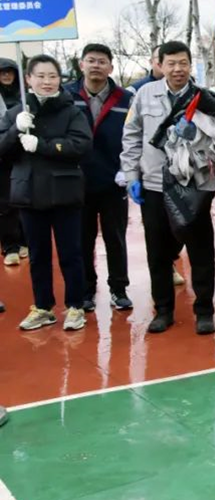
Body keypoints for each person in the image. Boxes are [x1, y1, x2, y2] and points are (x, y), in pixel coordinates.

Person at [122, 41, 215, 335]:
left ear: (190, 64)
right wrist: (132, 175)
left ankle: (204, 311)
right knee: (158, 252)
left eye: (183, 63)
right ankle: (163, 310)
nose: (178, 69)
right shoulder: (144, 95)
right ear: (160, 65)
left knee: (201, 251)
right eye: (171, 63)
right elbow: (131, 135)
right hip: (154, 185)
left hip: (194, 185)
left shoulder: (204, 97)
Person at [0, 55, 92, 331]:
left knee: (71, 253)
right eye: (40, 76)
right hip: (28, 193)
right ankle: (42, 307)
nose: (47, 81)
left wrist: (43, 145)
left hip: (64, 192)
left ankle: (75, 306)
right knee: (38, 255)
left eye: (52, 76)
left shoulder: (72, 110)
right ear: (28, 79)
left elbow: (80, 145)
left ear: (60, 79)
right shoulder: (16, 113)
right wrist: (15, 130)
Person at [64, 44, 134, 313]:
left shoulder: (125, 99)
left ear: (110, 67)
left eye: (102, 61)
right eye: (91, 60)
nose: (96, 65)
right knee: (82, 239)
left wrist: (127, 169)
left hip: (114, 181)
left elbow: (134, 136)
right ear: (81, 65)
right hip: (77, 181)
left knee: (115, 237)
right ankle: (86, 290)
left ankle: (119, 289)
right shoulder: (67, 95)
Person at [0, 58, 27, 266]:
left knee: (24, 199)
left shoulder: (23, 96)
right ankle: (10, 245)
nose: (6, 75)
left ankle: (25, 240)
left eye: (10, 72)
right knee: (5, 202)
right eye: (2, 72)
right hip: (2, 154)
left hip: (24, 153)